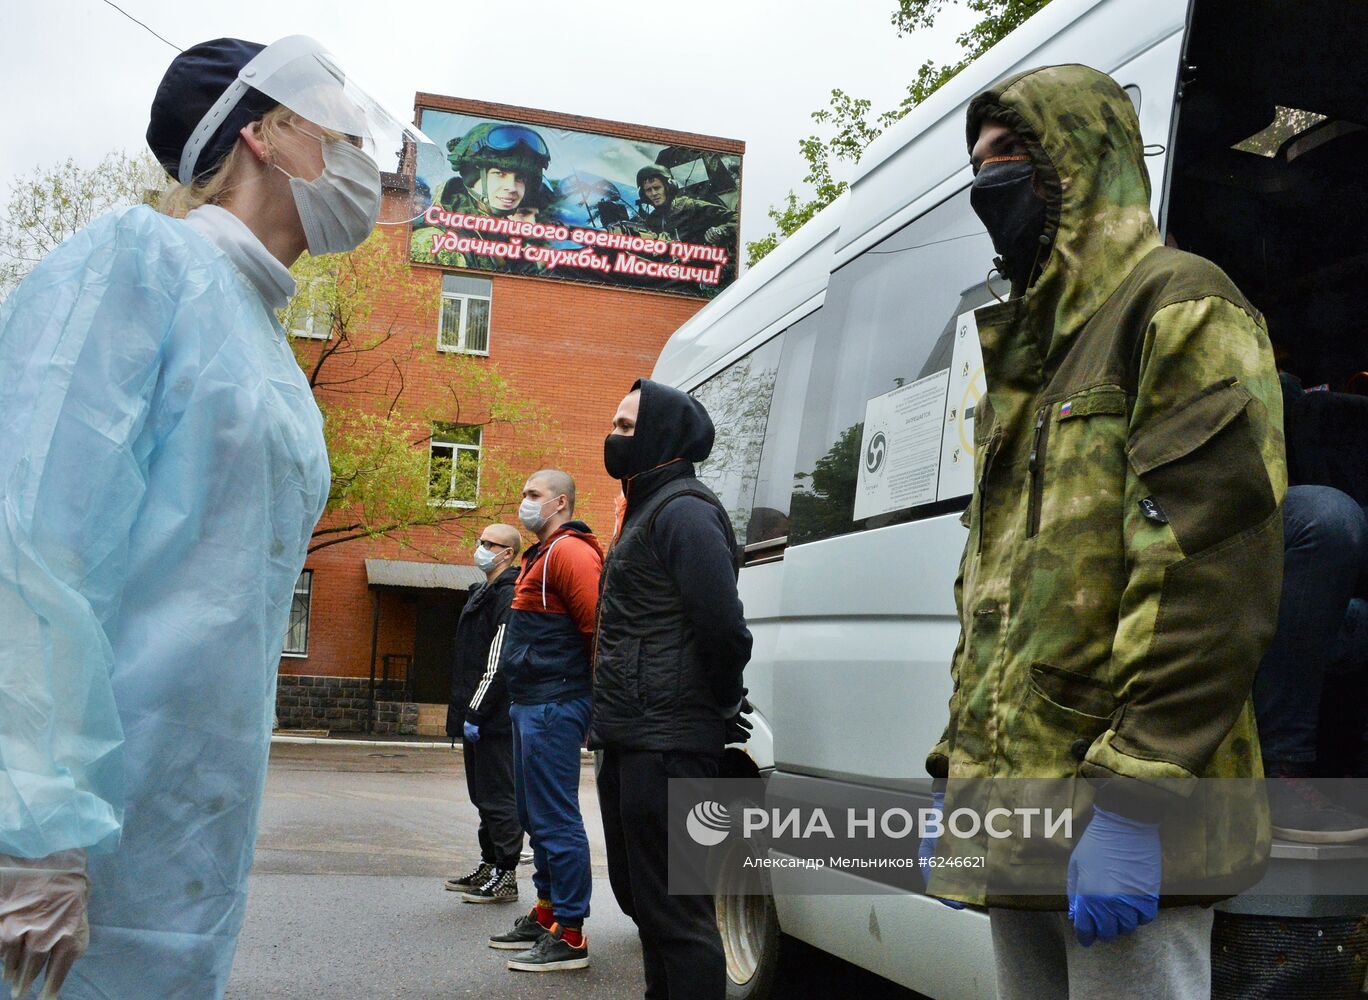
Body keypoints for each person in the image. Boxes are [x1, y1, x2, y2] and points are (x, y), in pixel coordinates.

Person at [0, 35, 433, 1000]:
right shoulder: (138, 263)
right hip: (74, 832)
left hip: (186, 828)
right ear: (263, 137)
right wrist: (30, 829)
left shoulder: (266, 344)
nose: (363, 162)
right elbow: (32, 545)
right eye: (337, 133)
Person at [920, 65, 1285, 1000]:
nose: (986, 181)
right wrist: (957, 772)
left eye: (1011, 156)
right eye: (978, 163)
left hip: (1129, 807)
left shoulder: (1180, 303)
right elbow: (997, 595)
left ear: (1080, 159)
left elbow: (1210, 569)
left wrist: (1131, 801)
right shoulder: (1035, 351)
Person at [590, 380, 753, 1000]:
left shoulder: (684, 510)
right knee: (646, 907)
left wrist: (719, 703)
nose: (614, 435)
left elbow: (723, 628)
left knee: (679, 918)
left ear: (661, 433)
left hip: (670, 742)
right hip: (632, 738)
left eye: (627, 425)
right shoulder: (646, 510)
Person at [487, 471, 602, 972]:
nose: (524, 502)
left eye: (533, 495)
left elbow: (599, 626)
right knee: (534, 816)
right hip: (532, 701)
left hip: (555, 702)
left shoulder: (569, 552)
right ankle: (547, 914)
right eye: (523, 492)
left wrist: (597, 704)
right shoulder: (541, 553)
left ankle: (571, 934)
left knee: (555, 819)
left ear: (559, 502)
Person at [443, 523, 524, 902]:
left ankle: (507, 873)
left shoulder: (508, 596)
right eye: (480, 541)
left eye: (489, 544)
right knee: (482, 797)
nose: (481, 548)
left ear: (508, 553)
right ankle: (489, 864)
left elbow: (499, 661)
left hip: (492, 719)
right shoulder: (484, 593)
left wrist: (474, 712)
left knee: (498, 796)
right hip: (476, 716)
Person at [410, 122, 551, 271]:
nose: (512, 187)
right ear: (474, 176)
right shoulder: (433, 243)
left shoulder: (513, 245)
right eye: (500, 174)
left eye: (520, 178)